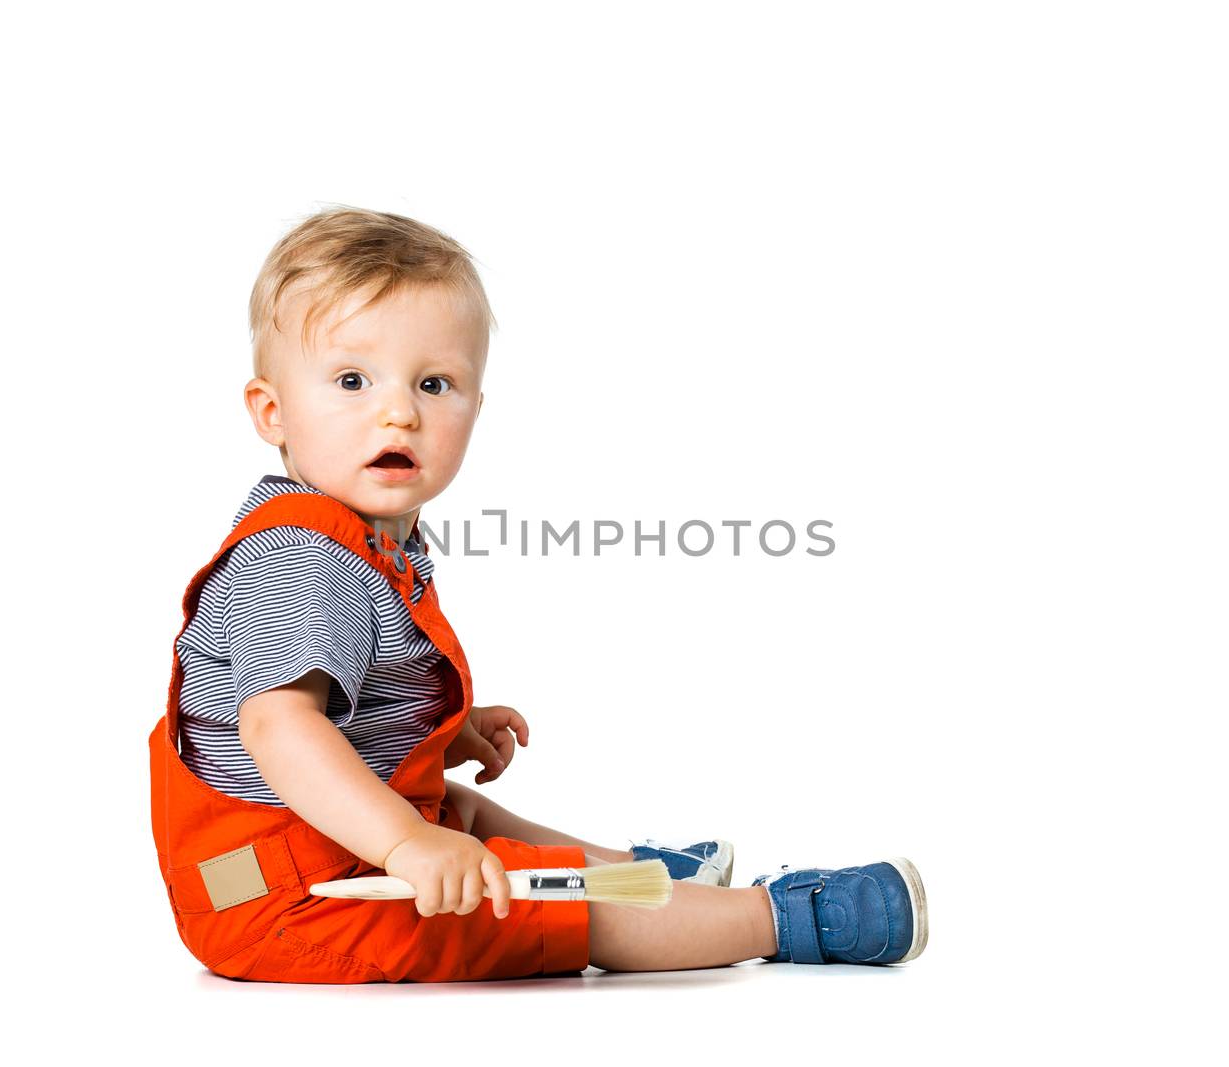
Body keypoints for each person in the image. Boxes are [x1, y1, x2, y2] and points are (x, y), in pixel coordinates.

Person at [147, 206, 927, 983]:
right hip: (282, 893)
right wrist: (404, 844)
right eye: (353, 379)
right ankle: (784, 917)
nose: (399, 410)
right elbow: (278, 726)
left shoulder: (368, 540)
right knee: (535, 899)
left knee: (468, 817)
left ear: (475, 408)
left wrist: (435, 728)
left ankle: (645, 874)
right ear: (271, 411)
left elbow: (340, 702)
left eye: (434, 382)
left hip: (322, 847)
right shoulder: (300, 559)